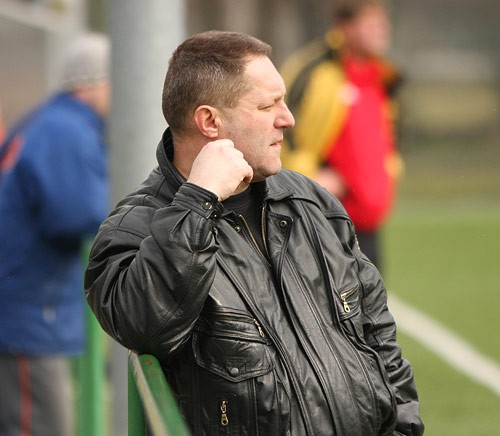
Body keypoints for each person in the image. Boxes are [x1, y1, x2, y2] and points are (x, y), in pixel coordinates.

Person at [85, 30, 423, 435]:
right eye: (267, 105)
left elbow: (378, 336)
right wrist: (199, 200)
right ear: (210, 121)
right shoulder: (133, 229)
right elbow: (144, 325)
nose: (288, 118)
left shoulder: (311, 202)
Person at [0, 33, 110, 435]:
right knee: (40, 427)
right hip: (27, 316)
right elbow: (77, 214)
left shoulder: (47, 120)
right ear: (94, 83)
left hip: (23, 308)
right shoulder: (67, 130)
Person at [280, 0, 404, 269]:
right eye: (371, 24)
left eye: (382, 23)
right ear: (345, 27)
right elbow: (281, 126)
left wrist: (389, 171)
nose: (382, 30)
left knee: (369, 291)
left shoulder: (383, 74)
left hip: (367, 217)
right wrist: (307, 179)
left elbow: (388, 132)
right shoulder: (314, 68)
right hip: (322, 214)